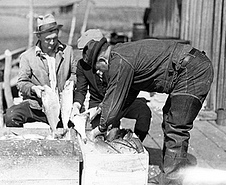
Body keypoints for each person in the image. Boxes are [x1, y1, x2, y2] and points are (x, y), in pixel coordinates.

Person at [78, 29, 214, 185]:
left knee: (177, 125)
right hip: (187, 67)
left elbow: (114, 99)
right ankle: (173, 171)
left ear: (103, 60)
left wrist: (98, 130)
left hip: (192, 70)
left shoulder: (120, 61)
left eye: (97, 68)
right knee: (170, 119)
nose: (98, 72)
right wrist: (106, 112)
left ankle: (172, 179)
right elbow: (125, 97)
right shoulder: (122, 54)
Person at [71, 29, 151, 142]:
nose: (86, 55)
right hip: (97, 104)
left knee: (144, 112)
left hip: (121, 101)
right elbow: (81, 89)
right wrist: (77, 105)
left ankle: (136, 143)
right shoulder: (82, 65)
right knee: (103, 137)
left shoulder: (116, 60)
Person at [4, 14, 76, 128]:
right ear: (39, 37)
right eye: (48, 40)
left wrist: (71, 81)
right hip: (38, 106)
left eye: (55, 38)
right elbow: (22, 82)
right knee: (11, 116)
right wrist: (34, 89)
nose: (52, 43)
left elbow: (75, 73)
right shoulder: (27, 57)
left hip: (63, 106)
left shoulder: (68, 51)